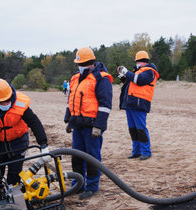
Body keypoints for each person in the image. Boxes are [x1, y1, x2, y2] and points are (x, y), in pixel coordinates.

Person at [0, 78, 49, 185]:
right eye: (1, 102)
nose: (5, 103)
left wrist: (43, 144)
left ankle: (14, 195)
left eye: (7, 100)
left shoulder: (20, 104)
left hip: (18, 141)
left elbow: (34, 122)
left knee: (14, 177)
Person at [64, 47, 113, 200]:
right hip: (78, 125)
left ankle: (92, 187)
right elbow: (71, 100)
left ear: (91, 63)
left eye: (83, 63)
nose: (80, 66)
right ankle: (77, 185)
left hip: (92, 127)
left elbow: (105, 104)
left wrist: (99, 125)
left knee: (92, 157)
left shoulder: (101, 78)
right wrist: (69, 119)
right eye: (79, 63)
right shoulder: (75, 78)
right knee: (77, 157)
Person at [118, 50, 159, 160]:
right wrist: (123, 77)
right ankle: (136, 151)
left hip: (139, 103)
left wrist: (127, 73)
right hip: (131, 103)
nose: (137, 63)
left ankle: (146, 152)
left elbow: (139, 80)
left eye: (138, 61)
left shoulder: (149, 71)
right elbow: (131, 82)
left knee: (140, 129)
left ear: (143, 61)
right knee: (133, 129)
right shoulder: (137, 71)